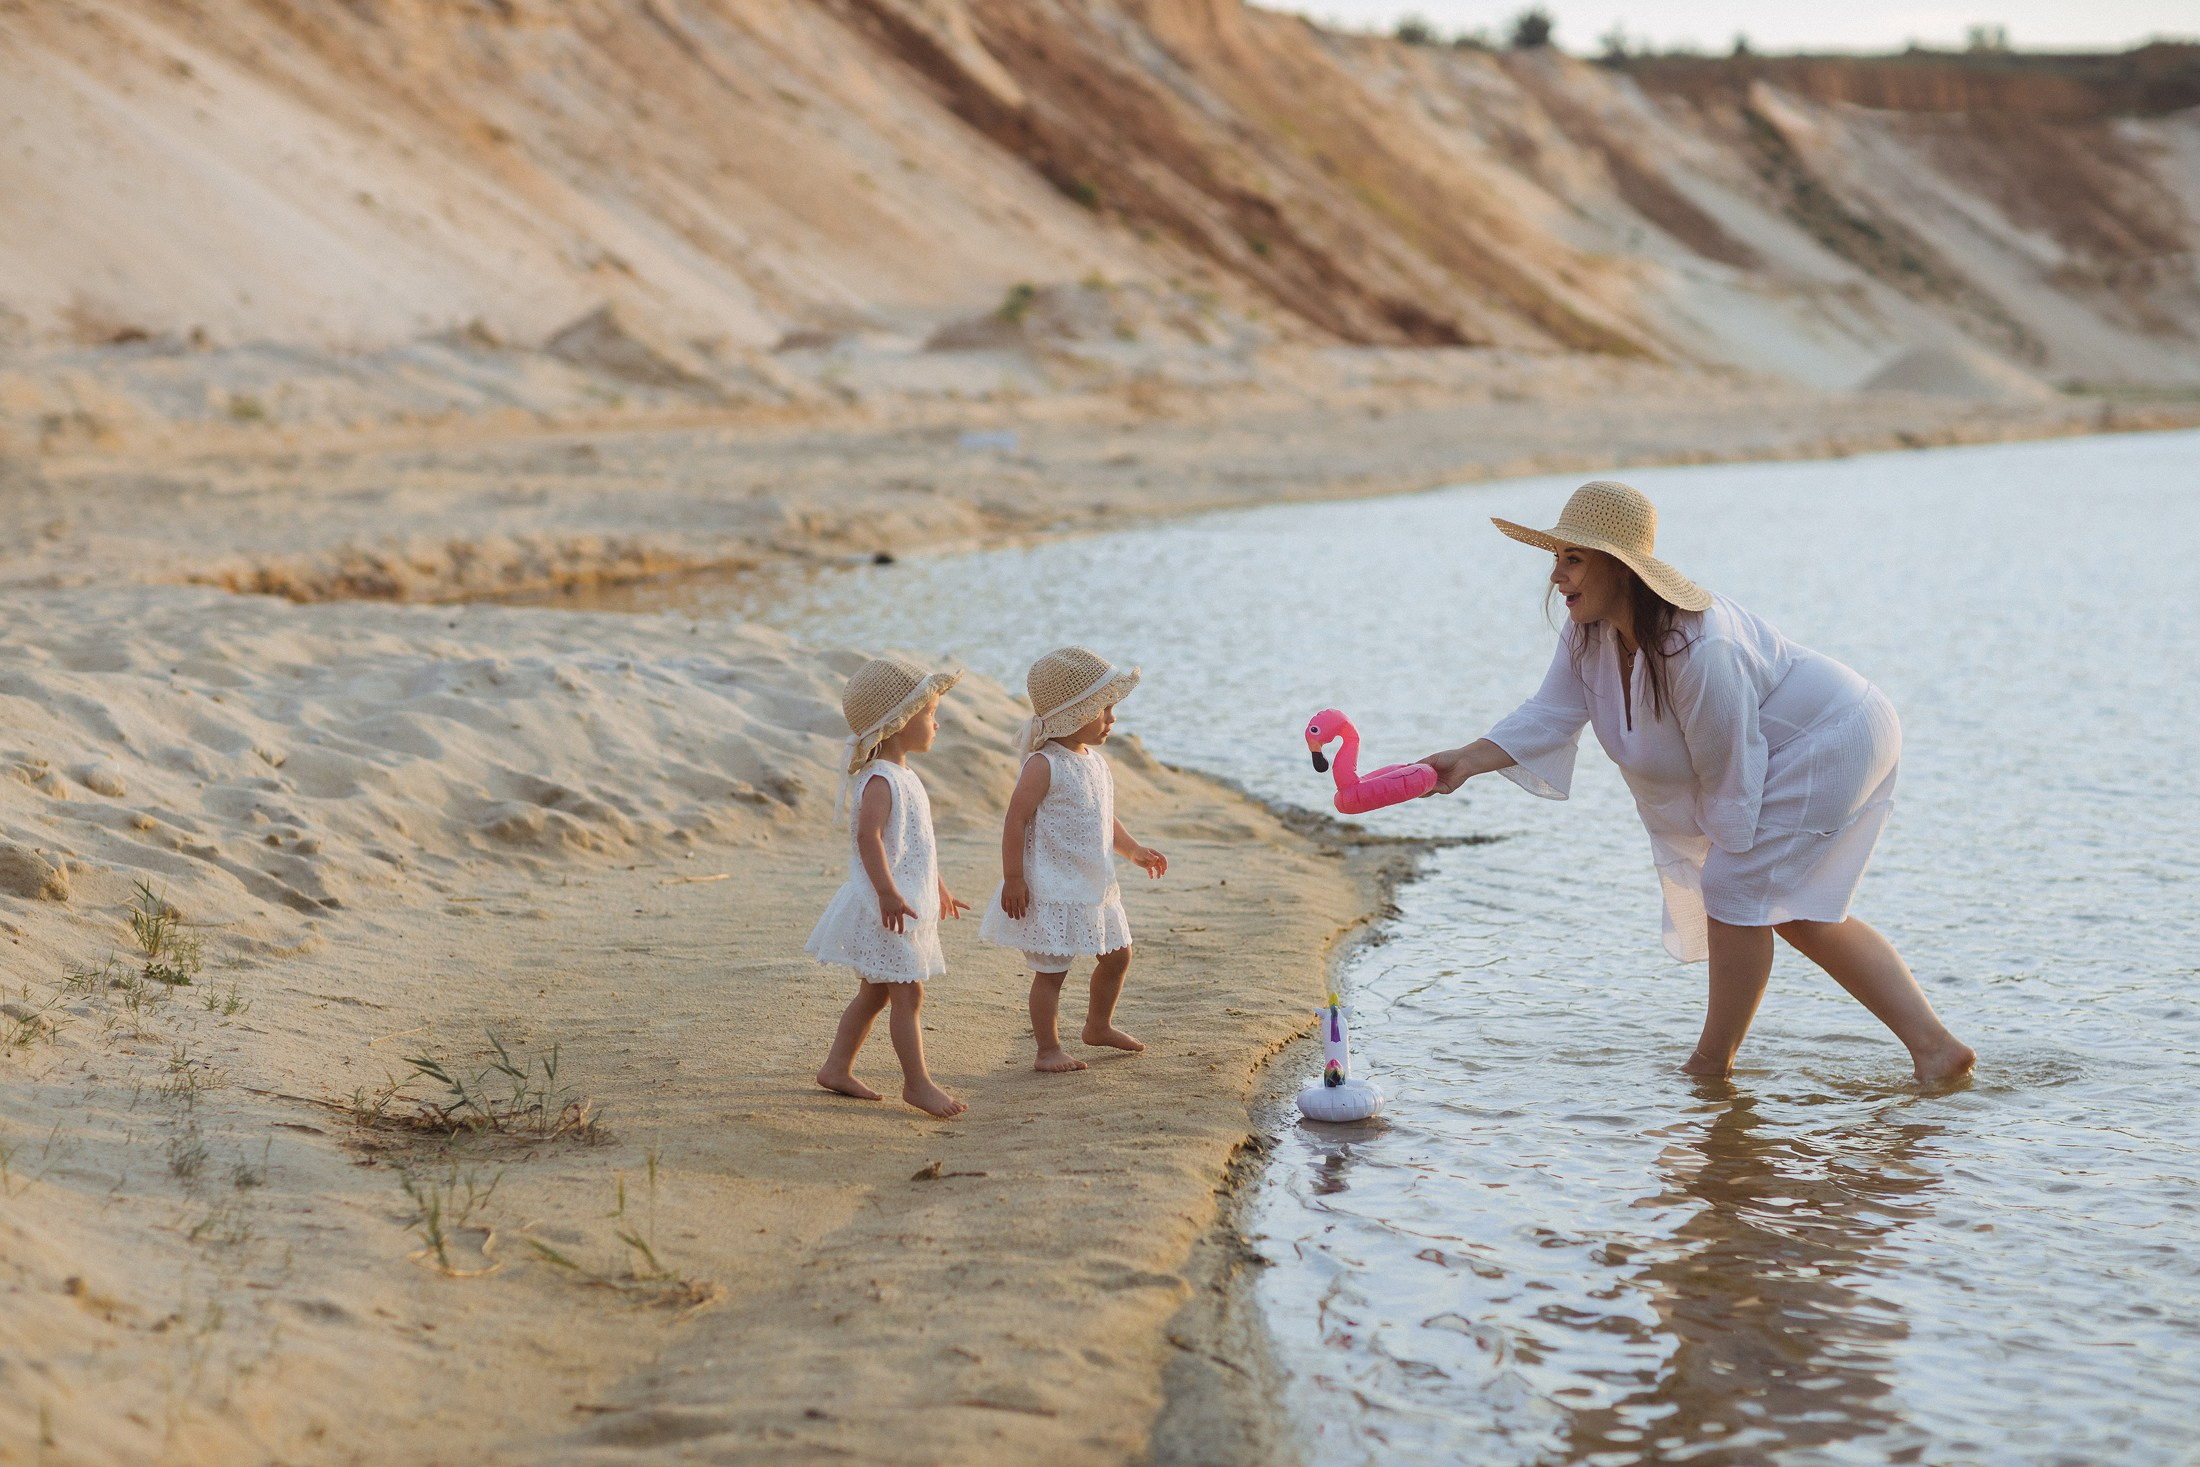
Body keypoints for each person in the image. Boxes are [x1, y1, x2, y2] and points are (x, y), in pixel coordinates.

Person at [1419, 480, 1975, 1085]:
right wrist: (1466, 761)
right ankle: (1936, 1049)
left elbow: (1729, 767)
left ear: (1623, 569)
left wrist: (1727, 860)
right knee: (1783, 906)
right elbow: (1551, 713)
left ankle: (1710, 1069)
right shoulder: (1589, 632)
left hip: (1837, 732)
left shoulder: (1701, 650)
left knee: (1738, 886)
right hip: (1788, 742)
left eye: (1573, 558)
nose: (1557, 576)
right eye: (1556, 558)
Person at [979, 646, 1168, 1073]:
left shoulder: (1095, 763)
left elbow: (1104, 817)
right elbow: (1015, 821)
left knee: (1118, 955)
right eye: (1103, 709)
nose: (1112, 719)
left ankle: (1098, 1025)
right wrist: (1013, 878)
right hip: (1052, 885)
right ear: (1074, 712)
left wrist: (1133, 848)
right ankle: (1047, 1050)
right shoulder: (1043, 765)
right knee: (1052, 973)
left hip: (1094, 883)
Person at [808, 657, 971, 1117]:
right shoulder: (880, 779)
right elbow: (869, 839)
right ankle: (917, 1083)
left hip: (904, 901)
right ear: (898, 723)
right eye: (929, 714)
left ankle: (836, 1068)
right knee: (907, 993)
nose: (936, 723)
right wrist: (885, 892)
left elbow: (918, 845)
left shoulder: (905, 775)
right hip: (888, 907)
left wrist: (938, 886)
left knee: (875, 993)